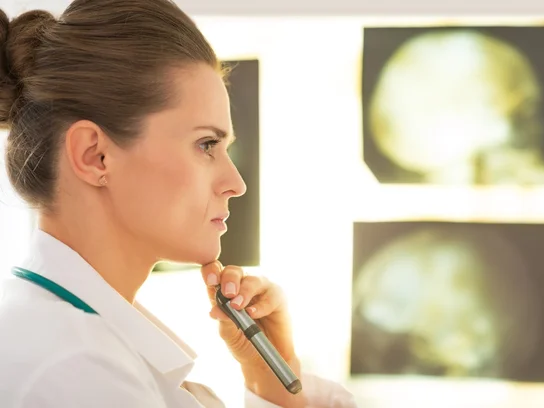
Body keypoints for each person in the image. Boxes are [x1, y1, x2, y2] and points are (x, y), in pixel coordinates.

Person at [0, 1, 357, 407]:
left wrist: (274, 381)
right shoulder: (77, 369)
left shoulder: (72, 340)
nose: (235, 184)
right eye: (206, 145)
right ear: (94, 156)